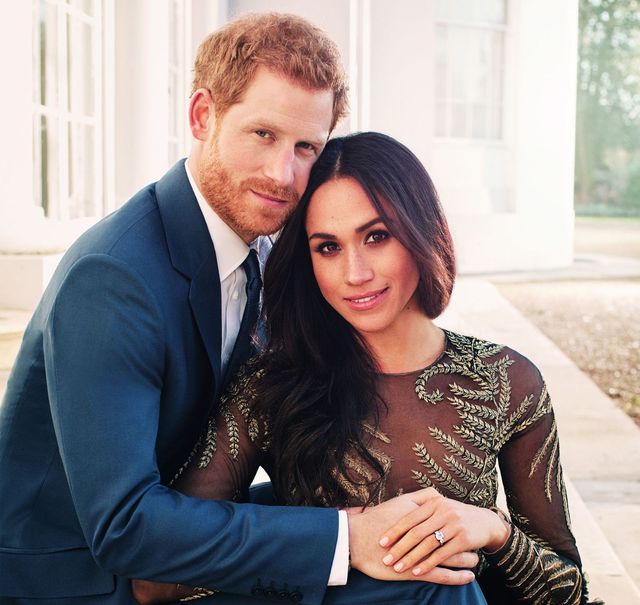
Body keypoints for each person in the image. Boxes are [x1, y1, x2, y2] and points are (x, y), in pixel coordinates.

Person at [0, 14, 475, 605]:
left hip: (188, 521)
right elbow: (121, 527)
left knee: (425, 544)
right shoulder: (114, 278)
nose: (284, 174)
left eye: (307, 147)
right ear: (203, 117)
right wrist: (347, 537)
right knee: (424, 588)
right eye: (263, 135)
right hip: (86, 581)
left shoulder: (270, 248)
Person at [133, 132, 599, 605]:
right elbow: (159, 574)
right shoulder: (272, 387)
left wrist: (494, 531)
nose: (355, 273)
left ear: (421, 232)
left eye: (376, 237)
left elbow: (569, 591)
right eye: (328, 248)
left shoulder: (505, 382)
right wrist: (337, 550)